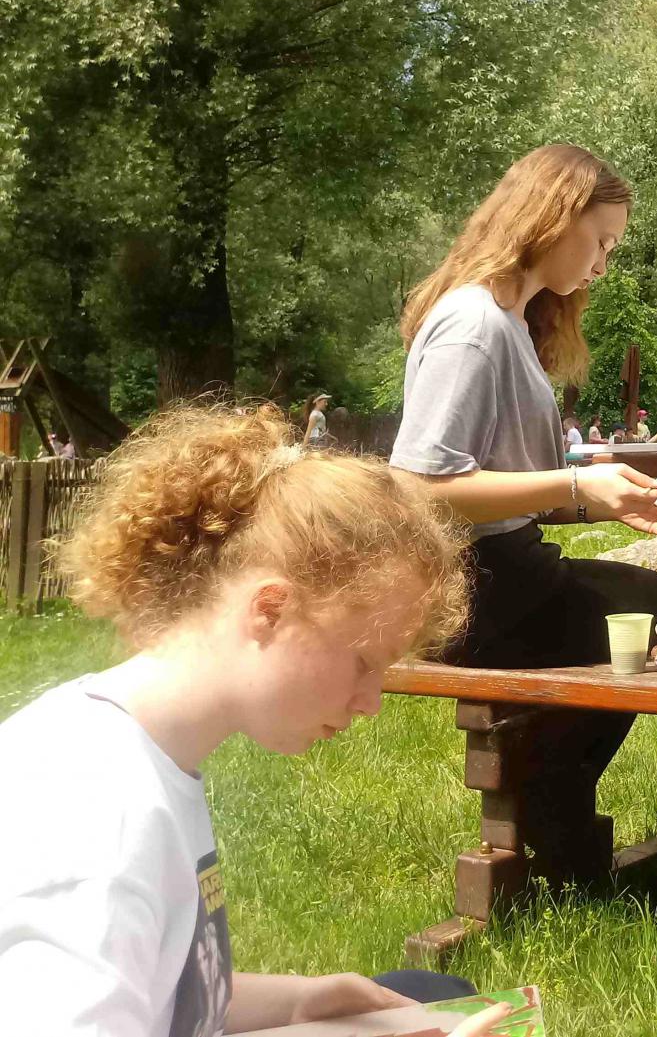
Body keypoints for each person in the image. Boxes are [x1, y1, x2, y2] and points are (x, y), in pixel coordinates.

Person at [0, 404, 511, 1036]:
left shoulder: (144, 753)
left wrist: (301, 1002)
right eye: (363, 662)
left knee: (427, 994)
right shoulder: (99, 815)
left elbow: (163, 995)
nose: (371, 702)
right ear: (270, 610)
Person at [389, 143, 657, 917]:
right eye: (600, 240)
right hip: (479, 598)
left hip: (509, 576)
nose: (604, 262)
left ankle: (563, 799)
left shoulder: (508, 319)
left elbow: (504, 490)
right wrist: (577, 485)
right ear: (552, 216)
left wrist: (607, 503)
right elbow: (419, 489)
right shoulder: (473, 324)